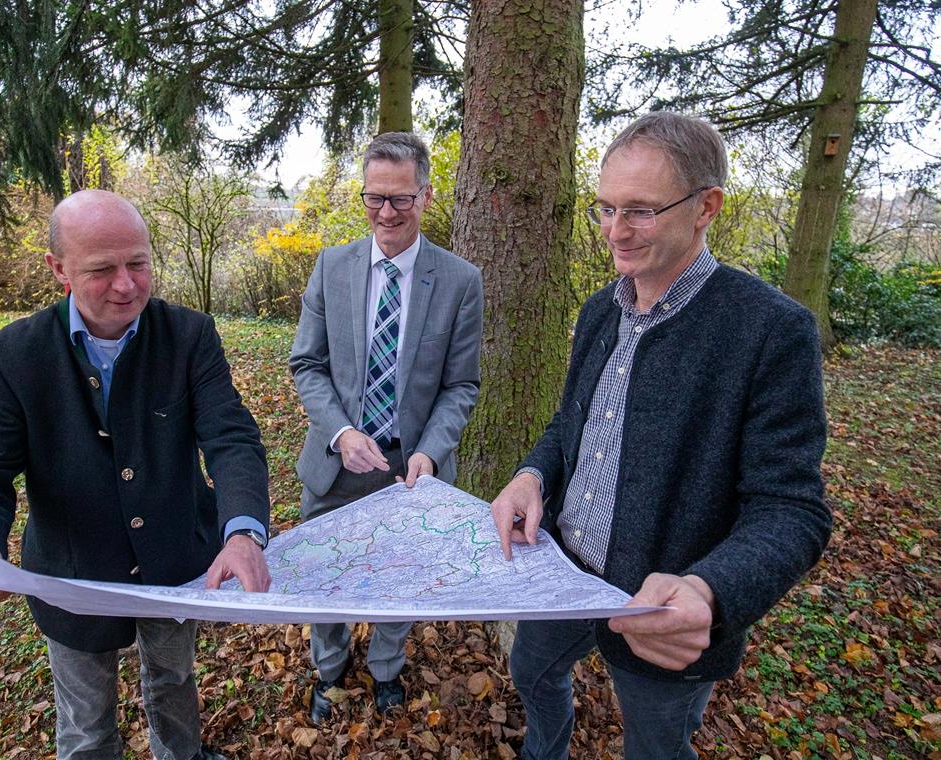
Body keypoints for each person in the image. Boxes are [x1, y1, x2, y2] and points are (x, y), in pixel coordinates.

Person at [489, 112, 831, 759]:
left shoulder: (769, 330)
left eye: (641, 211)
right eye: (606, 208)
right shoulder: (598, 311)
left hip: (660, 612)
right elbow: (573, 421)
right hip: (562, 573)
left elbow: (793, 510)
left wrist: (710, 591)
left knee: (655, 746)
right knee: (531, 672)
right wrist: (532, 474)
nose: (616, 231)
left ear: (707, 206)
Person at [0, 189, 271, 760]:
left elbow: (231, 436)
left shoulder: (190, 336)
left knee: (174, 683)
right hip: (72, 576)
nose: (126, 285)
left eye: (138, 263)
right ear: (58, 269)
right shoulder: (10, 356)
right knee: (86, 727)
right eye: (102, 269)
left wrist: (241, 532)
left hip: (175, 562)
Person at [289, 132, 484, 723]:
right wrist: (341, 432)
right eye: (375, 199)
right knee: (325, 575)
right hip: (337, 463)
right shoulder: (331, 266)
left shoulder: (459, 281)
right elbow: (307, 363)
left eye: (401, 199)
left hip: (410, 471)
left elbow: (461, 386)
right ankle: (328, 671)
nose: (387, 213)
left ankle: (386, 671)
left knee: (400, 580)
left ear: (425, 195)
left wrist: (429, 452)